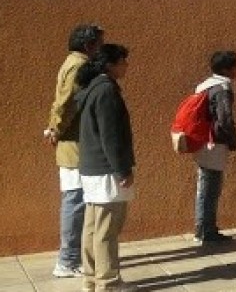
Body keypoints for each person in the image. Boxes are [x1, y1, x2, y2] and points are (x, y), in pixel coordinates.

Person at [44, 23, 104, 278]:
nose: (101, 48)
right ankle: (67, 260)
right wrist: (55, 128)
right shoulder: (79, 65)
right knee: (75, 200)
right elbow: (66, 101)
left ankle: (73, 256)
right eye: (99, 43)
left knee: (75, 199)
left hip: (73, 142)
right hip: (73, 144)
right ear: (88, 45)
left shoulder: (71, 61)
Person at [75, 44, 136, 292]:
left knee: (93, 227)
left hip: (93, 168)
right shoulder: (106, 91)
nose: (126, 65)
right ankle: (108, 282)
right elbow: (111, 136)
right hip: (106, 169)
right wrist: (123, 170)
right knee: (106, 229)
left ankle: (92, 278)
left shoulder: (92, 89)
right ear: (110, 64)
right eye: (123, 60)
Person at [193, 51, 236, 243]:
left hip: (202, 141)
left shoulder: (204, 85)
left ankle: (203, 227)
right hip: (214, 143)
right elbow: (225, 119)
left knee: (204, 185)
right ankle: (207, 230)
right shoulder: (222, 87)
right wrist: (233, 140)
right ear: (226, 69)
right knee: (210, 188)